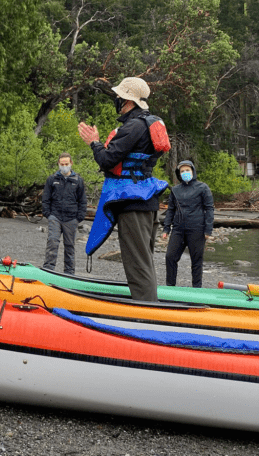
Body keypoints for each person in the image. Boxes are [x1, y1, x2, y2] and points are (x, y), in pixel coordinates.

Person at [78, 77, 169, 301]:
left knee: (137, 264)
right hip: (146, 200)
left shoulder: (134, 126)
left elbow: (107, 160)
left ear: (128, 100)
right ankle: (150, 304)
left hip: (132, 203)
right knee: (144, 259)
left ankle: (147, 316)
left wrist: (94, 142)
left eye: (119, 96)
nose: (117, 99)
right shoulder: (147, 122)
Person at [162, 160, 214, 287]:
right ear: (179, 174)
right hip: (178, 229)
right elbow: (170, 210)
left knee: (196, 261)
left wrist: (208, 230)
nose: (185, 173)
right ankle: (170, 287)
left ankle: (196, 289)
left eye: (187, 170)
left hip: (196, 229)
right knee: (170, 257)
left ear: (193, 171)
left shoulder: (203, 187)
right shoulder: (175, 190)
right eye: (182, 171)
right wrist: (166, 228)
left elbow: (209, 208)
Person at [40, 153, 88, 274]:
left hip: (71, 218)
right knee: (52, 242)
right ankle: (48, 270)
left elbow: (82, 200)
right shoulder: (52, 179)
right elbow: (45, 198)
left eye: (66, 164)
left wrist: (79, 217)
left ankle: (69, 273)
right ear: (58, 164)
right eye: (62, 164)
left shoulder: (78, 180)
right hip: (55, 216)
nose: (64, 166)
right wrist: (48, 213)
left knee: (70, 246)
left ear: (71, 163)